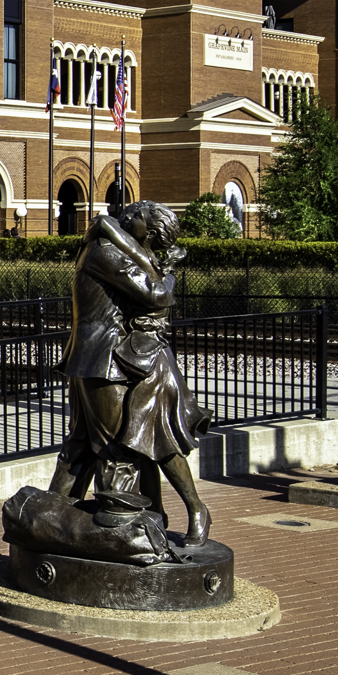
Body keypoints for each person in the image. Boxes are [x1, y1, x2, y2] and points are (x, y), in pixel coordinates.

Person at [46, 200, 213, 546]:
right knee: (103, 446)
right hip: (100, 360)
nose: (128, 216)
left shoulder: (112, 248)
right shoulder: (105, 252)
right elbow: (156, 295)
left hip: (109, 360)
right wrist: (169, 272)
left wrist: (114, 232)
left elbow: (150, 296)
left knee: (104, 445)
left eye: (136, 216)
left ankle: (97, 518)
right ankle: (87, 523)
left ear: (149, 233)